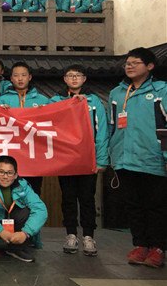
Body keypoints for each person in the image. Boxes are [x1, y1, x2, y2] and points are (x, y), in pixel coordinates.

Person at [108, 48, 167, 268]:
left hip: (154, 158)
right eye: (127, 63)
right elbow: (112, 126)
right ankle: (140, 244)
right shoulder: (117, 93)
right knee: (133, 205)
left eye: (135, 62)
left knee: (156, 206)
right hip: (124, 159)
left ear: (150, 66)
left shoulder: (162, 90)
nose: (129, 66)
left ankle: (158, 248)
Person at [50, 65, 108, 256]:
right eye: (70, 75)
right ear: (64, 79)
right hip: (66, 160)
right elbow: (46, 124)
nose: (74, 78)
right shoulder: (56, 101)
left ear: (84, 79)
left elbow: (102, 132)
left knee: (87, 199)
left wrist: (101, 160)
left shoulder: (93, 101)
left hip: (87, 160)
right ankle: (71, 234)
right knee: (68, 198)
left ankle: (89, 236)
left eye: (78, 75)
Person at [0, 156, 47, 263]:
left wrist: (25, 233)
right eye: (1, 172)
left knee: (26, 212)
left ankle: (15, 249)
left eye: (10, 173)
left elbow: (40, 209)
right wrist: (0, 230)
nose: (5, 177)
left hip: (11, 219)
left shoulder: (22, 185)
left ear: (15, 175)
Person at [0, 62, 50, 196]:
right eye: (16, 75)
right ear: (11, 78)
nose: (20, 79)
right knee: (9, 192)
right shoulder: (2, 100)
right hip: (10, 153)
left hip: (34, 154)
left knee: (34, 192)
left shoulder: (42, 100)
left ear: (30, 77)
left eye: (23, 75)